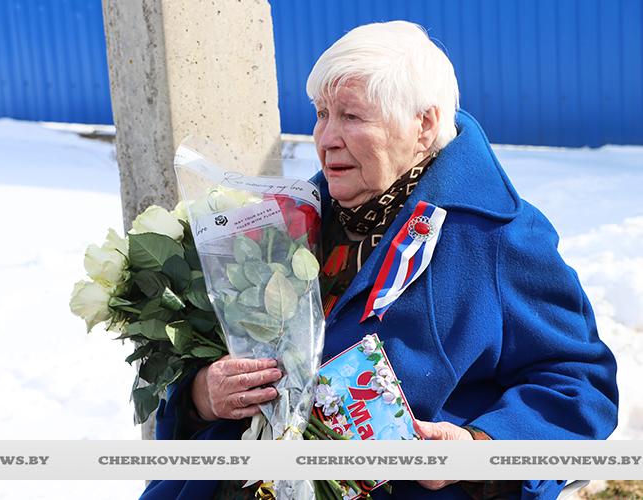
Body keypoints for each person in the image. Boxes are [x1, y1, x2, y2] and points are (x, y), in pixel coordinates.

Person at [141, 21, 618, 500]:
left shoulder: (496, 236)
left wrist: (479, 448)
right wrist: (203, 395)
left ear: (423, 125)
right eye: (322, 114)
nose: (326, 138)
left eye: (351, 117)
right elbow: (202, 373)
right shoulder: (282, 225)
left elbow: (580, 387)